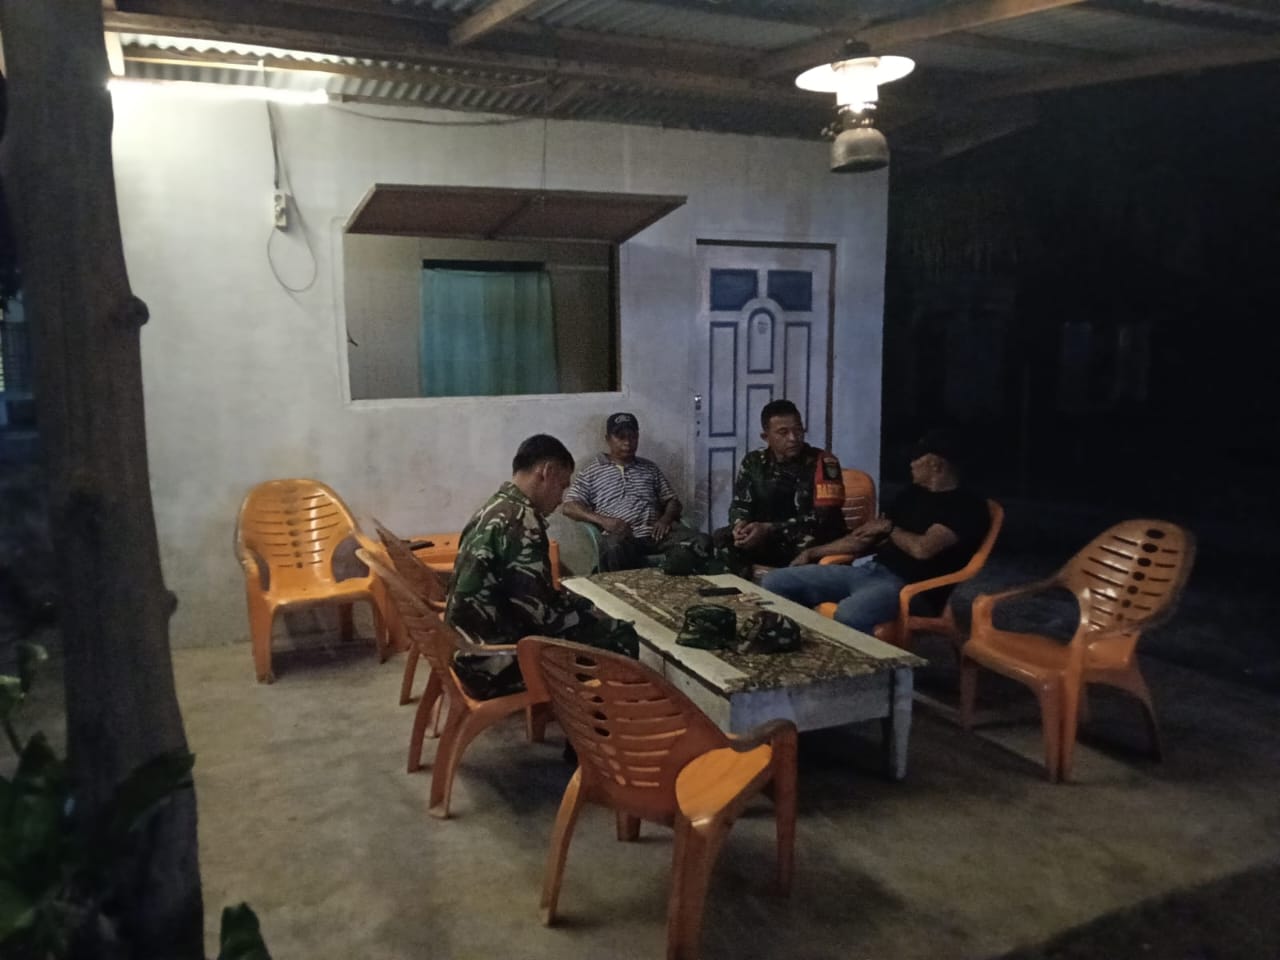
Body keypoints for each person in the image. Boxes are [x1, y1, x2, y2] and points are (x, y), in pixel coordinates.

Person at [446, 433, 637, 698]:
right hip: (493, 664)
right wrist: (591, 615)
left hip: (468, 649)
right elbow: (543, 617)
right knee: (620, 634)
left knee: (582, 609)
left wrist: (577, 605)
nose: (560, 499)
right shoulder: (522, 523)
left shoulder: (494, 507)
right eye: (562, 486)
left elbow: (529, 598)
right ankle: (598, 720)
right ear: (546, 472)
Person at [760, 428, 990, 634]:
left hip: (909, 589)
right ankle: (798, 644)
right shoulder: (910, 495)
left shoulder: (966, 507)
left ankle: (866, 666)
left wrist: (889, 528)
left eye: (916, 459)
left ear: (935, 464)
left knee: (850, 614)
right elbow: (862, 539)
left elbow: (922, 549)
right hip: (870, 571)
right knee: (775, 582)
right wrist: (812, 552)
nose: (910, 464)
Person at [561, 412, 710, 571]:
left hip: (656, 535)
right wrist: (604, 521)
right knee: (613, 549)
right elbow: (569, 507)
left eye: (632, 437)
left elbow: (673, 501)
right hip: (622, 537)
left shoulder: (650, 468)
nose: (627, 442)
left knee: (702, 540)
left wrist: (665, 519)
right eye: (621, 437)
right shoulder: (592, 471)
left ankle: (671, 575)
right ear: (608, 439)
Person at [712, 399, 846, 575]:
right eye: (783, 432)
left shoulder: (823, 462)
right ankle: (761, 574)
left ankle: (767, 576)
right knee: (720, 540)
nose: (793, 438)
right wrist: (740, 526)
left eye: (798, 430)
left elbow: (824, 519)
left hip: (805, 535)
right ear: (766, 437)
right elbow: (740, 504)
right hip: (766, 536)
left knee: (807, 542)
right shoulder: (754, 462)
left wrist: (770, 529)